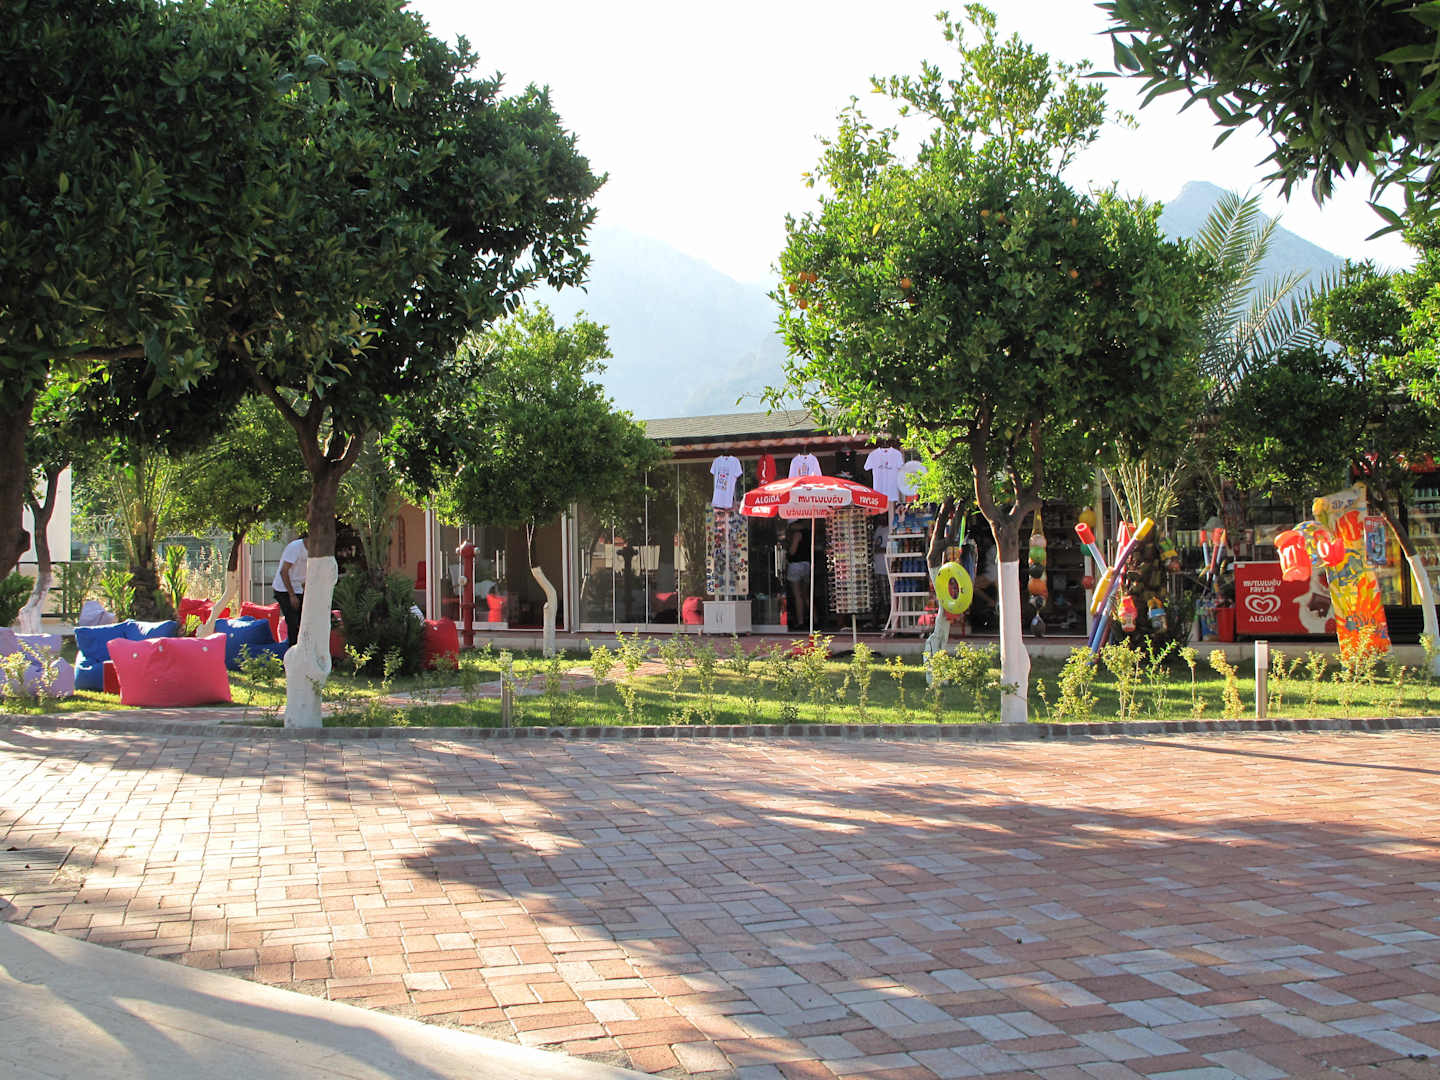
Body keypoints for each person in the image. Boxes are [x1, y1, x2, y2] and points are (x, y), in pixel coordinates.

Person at [273, 533, 309, 644]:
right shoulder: (295, 547)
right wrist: (292, 595)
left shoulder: (317, 550)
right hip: (283, 588)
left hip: (298, 588)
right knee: (293, 622)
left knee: (303, 622)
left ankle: (302, 648)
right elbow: (283, 572)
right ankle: (293, 649)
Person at [786, 520, 812, 632]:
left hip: (796, 565)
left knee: (798, 595)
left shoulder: (797, 534)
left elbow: (793, 551)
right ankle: (814, 619)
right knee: (806, 594)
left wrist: (787, 551)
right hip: (807, 564)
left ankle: (800, 621)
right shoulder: (809, 532)